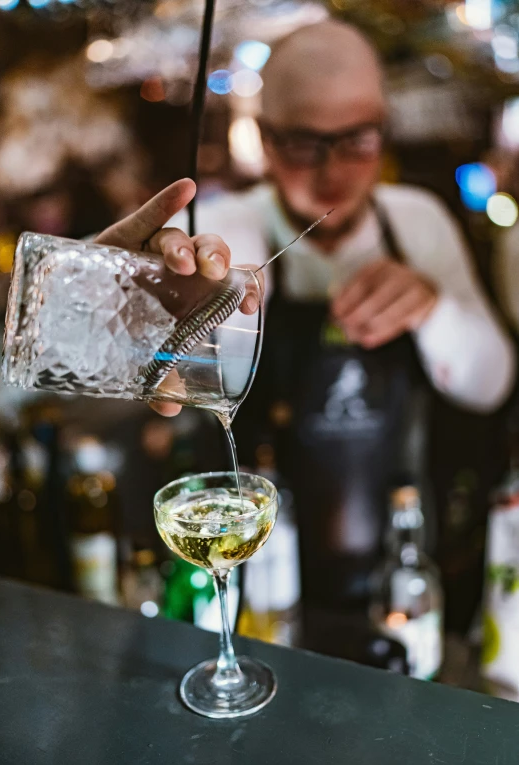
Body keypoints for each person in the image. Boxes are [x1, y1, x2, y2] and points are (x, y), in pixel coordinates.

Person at [97, 21, 516, 627]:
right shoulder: (226, 225)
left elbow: (491, 385)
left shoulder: (417, 223)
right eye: (305, 143)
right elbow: (155, 361)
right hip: (254, 576)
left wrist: (431, 306)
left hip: (396, 568)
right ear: (266, 140)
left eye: (359, 139)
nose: (336, 170)